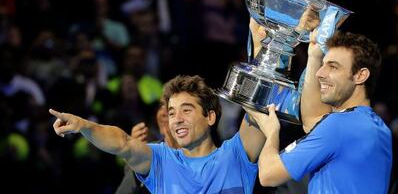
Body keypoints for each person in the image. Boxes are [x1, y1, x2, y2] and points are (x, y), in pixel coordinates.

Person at [50, 75, 265, 193]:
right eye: (172, 113)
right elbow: (123, 143)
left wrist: (260, 46)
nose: (177, 119)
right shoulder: (161, 161)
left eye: (186, 110)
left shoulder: (235, 155)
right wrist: (84, 126)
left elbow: (259, 109)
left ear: (210, 117)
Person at [246, 23, 393, 193]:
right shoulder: (376, 127)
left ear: (361, 75)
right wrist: (314, 55)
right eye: (323, 65)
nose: (320, 73)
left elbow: (268, 175)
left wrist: (271, 132)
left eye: (333, 66)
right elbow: (313, 123)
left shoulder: (339, 126)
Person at [115, 103, 178, 194]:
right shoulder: (149, 151)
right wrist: (133, 154)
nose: (162, 113)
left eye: (169, 108)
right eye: (160, 106)